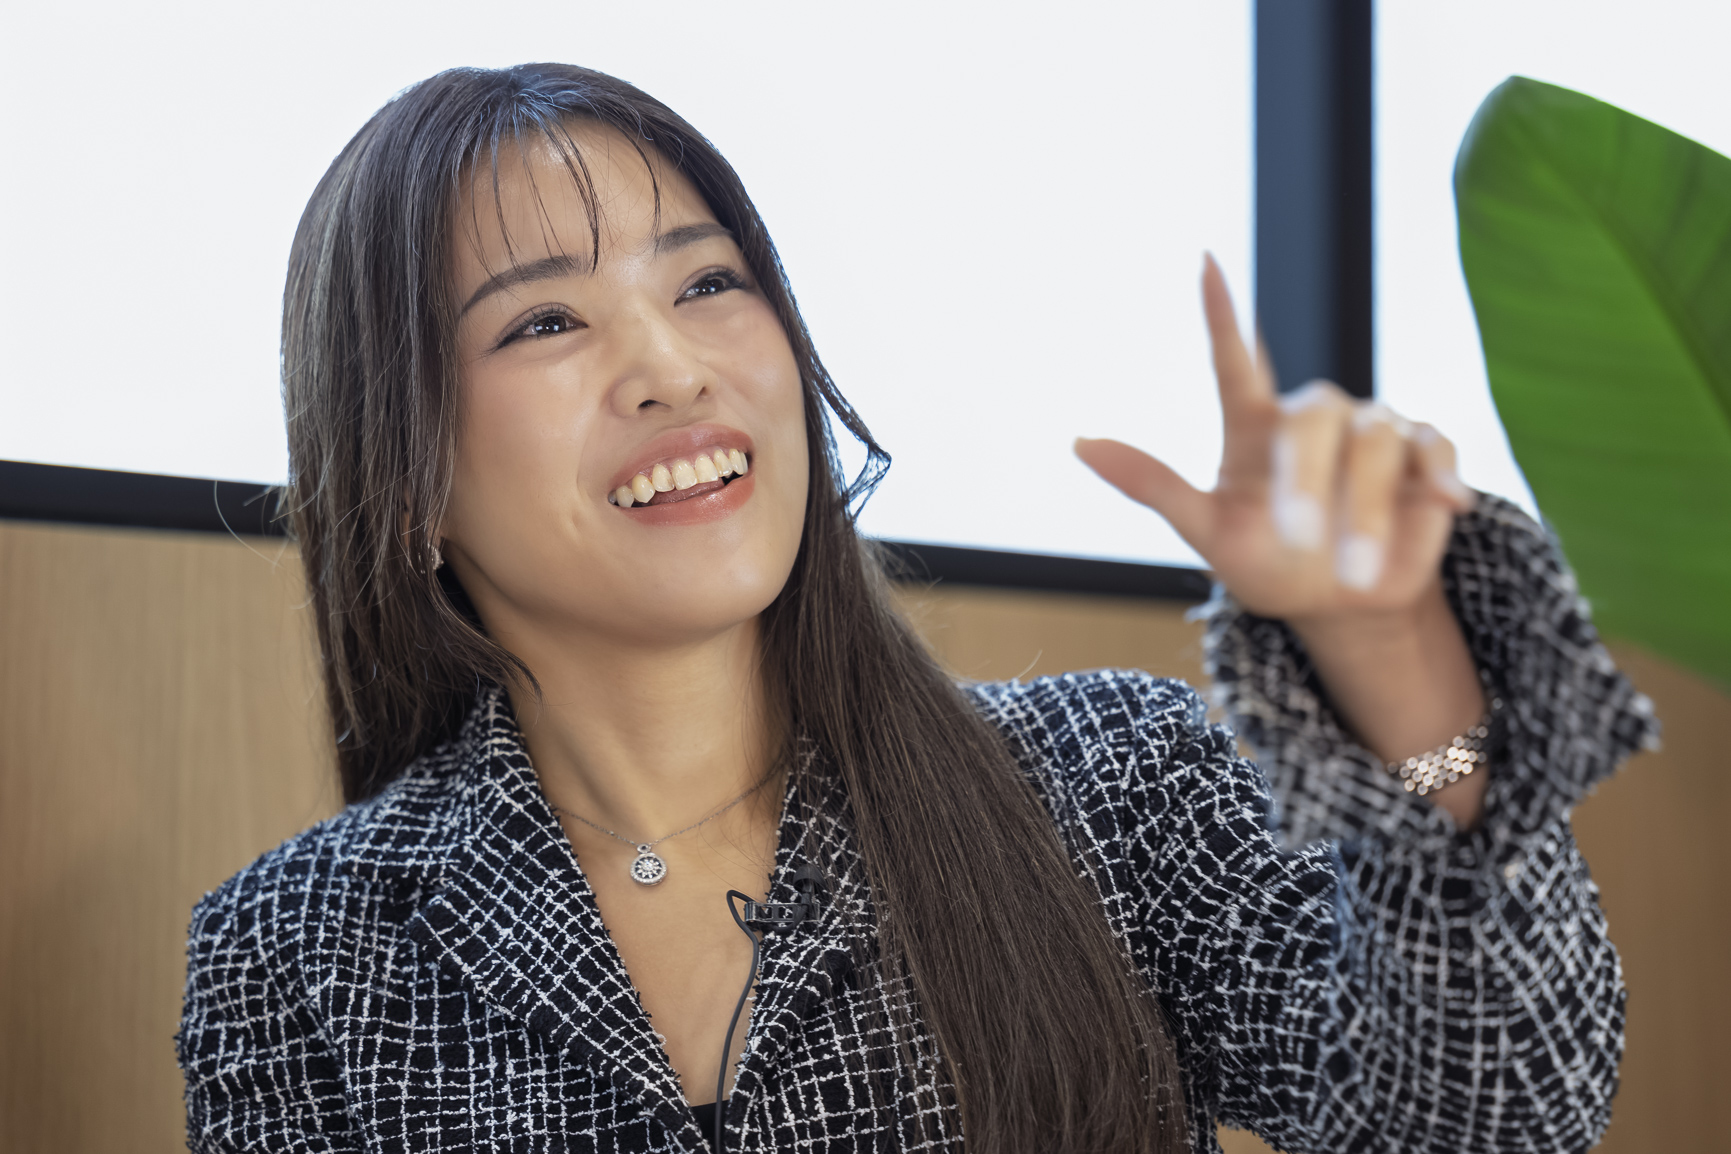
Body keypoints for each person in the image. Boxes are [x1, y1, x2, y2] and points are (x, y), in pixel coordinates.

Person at [176, 63, 1654, 1154]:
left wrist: (1399, 666)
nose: (674, 369)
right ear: (407, 473)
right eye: (546, 320)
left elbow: (1492, 1113)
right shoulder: (298, 953)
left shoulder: (1115, 785)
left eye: (708, 284)